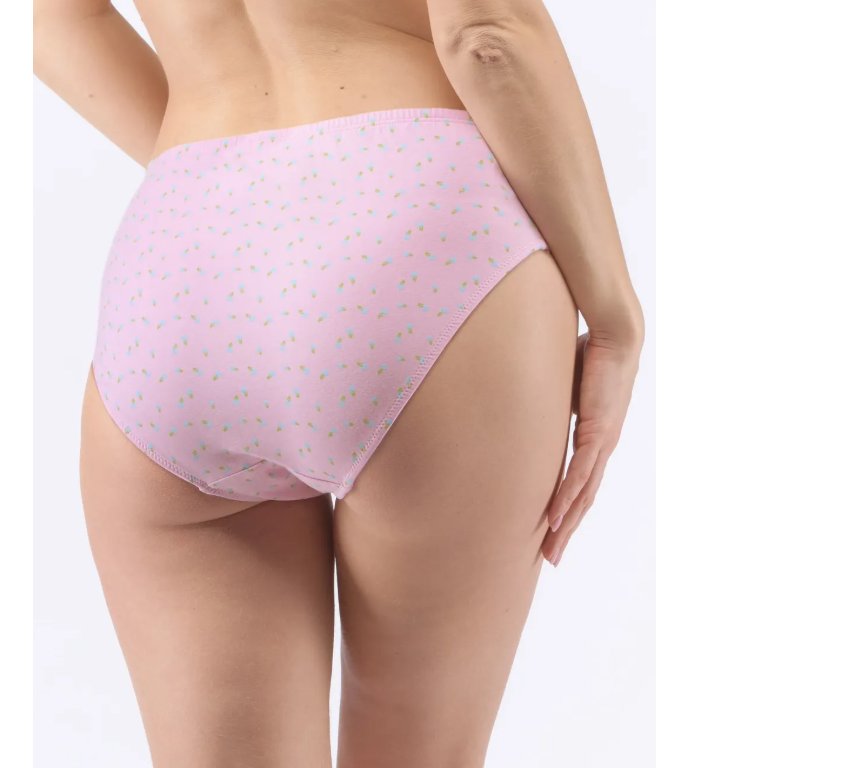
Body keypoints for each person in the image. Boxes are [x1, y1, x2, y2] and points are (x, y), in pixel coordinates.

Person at [34, 0, 644, 765]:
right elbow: (485, 35)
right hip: (417, 227)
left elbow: (51, 18)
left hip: (180, 261)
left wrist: (221, 174)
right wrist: (614, 315)